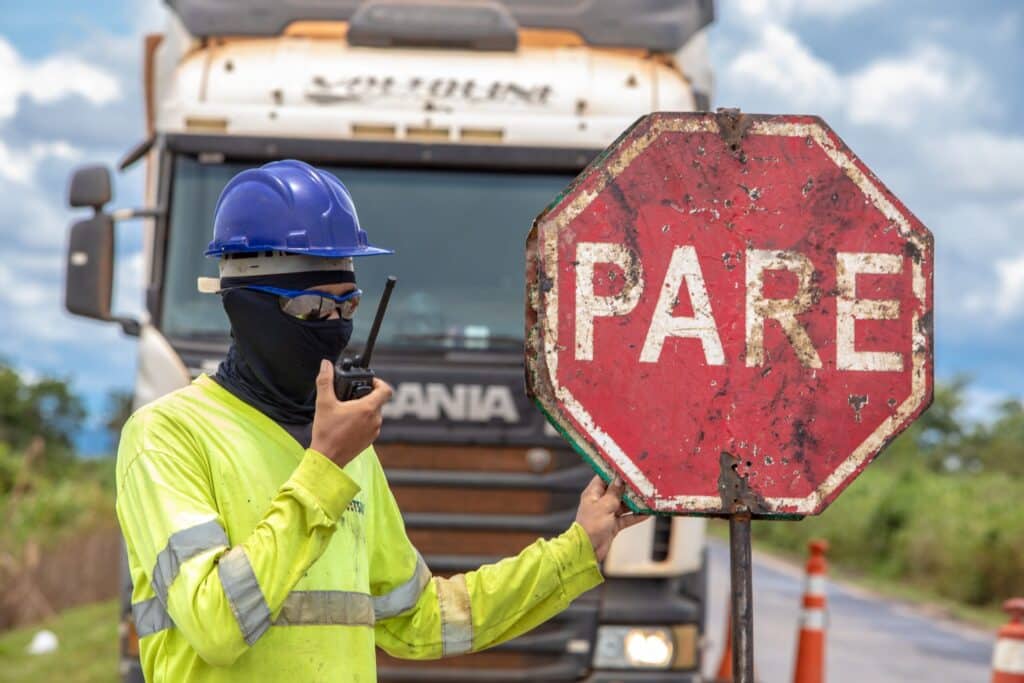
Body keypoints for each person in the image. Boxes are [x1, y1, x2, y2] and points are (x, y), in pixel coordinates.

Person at [115, 159, 647, 682]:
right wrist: (322, 468)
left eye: (348, 306)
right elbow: (216, 624)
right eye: (312, 309)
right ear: (244, 307)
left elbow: (423, 619)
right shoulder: (167, 435)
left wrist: (578, 549)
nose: (336, 326)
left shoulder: (350, 453)